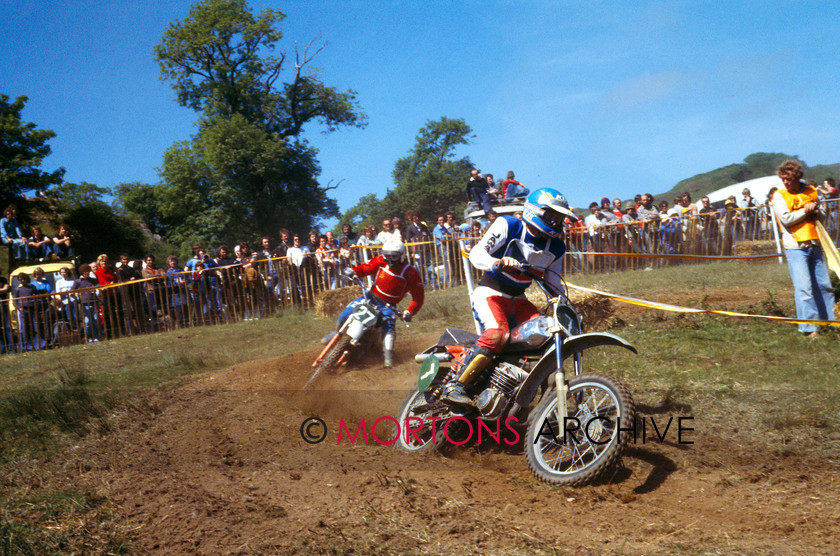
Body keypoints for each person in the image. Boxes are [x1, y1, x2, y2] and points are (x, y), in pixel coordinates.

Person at [441, 188, 575, 405]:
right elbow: (476, 253)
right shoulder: (510, 225)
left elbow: (553, 281)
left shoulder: (557, 246)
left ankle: (537, 401)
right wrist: (497, 262)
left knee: (549, 333)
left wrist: (566, 306)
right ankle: (456, 385)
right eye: (551, 215)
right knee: (497, 334)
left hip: (519, 300)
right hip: (490, 293)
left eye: (559, 217)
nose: (555, 221)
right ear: (535, 211)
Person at [334, 240, 424, 368]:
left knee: (389, 330)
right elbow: (366, 268)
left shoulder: (410, 273)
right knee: (346, 313)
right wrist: (354, 272)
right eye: (387, 255)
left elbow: (418, 297)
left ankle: (388, 359)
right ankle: (336, 334)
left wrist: (409, 311)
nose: (390, 259)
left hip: (388, 307)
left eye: (394, 256)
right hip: (369, 297)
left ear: (402, 255)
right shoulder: (380, 261)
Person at [772, 159, 835, 337]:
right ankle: (809, 328)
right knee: (804, 288)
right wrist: (806, 211)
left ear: (797, 176)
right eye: (783, 178)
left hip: (814, 243)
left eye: (789, 178)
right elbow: (786, 219)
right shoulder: (779, 195)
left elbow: (822, 216)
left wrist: (816, 210)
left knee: (824, 286)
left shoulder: (812, 191)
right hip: (795, 246)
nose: (785, 182)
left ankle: (831, 322)